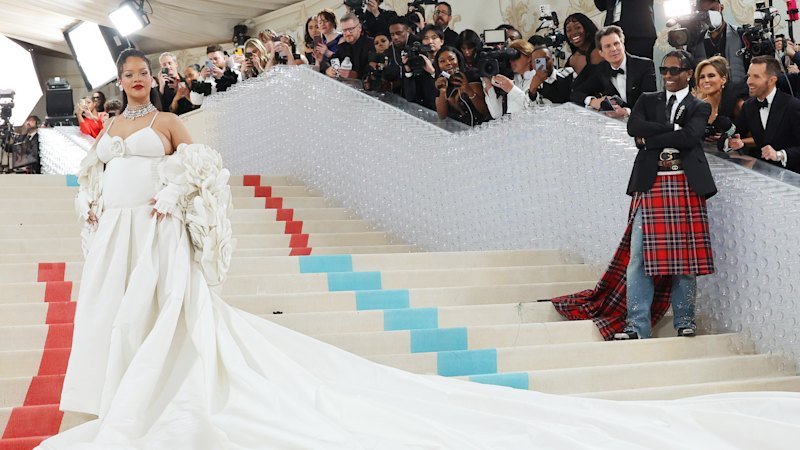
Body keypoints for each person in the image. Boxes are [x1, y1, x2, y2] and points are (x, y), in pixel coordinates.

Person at [32, 49, 800, 450]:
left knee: (167, 313)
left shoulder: (168, 124)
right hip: (118, 236)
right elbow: (94, 174)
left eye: (144, 75)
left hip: (157, 232)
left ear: (153, 82)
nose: (138, 83)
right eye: (129, 77)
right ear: (117, 84)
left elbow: (204, 172)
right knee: (120, 312)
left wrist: (174, 197)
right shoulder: (112, 129)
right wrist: (96, 200)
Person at [551, 50, 716, 341]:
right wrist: (672, 129)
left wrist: (651, 139)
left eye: (674, 70)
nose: (667, 75)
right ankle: (637, 326)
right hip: (650, 183)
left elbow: (691, 137)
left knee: (685, 259)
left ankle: (685, 321)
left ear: (688, 73)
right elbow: (633, 128)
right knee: (639, 257)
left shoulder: (699, 106)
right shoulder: (647, 100)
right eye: (664, 70)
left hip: (685, 182)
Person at [729, 56, 800, 173]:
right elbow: (733, 132)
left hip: (793, 175)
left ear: (772, 80)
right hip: (762, 174)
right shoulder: (748, 106)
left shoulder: (792, 106)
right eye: (749, 76)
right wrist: (729, 142)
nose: (749, 81)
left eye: (756, 76)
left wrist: (780, 155)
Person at [571, 25, 657, 119]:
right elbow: (576, 93)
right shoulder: (601, 69)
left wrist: (626, 112)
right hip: (614, 122)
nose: (613, 49)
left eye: (616, 44)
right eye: (607, 46)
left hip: (643, 120)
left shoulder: (645, 65)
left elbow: (650, 101)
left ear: (623, 44)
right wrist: (593, 101)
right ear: (601, 52)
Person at [687, 0, 747, 86]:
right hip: (708, 91)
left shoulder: (740, 35)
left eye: (712, 9)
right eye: (705, 12)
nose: (709, 15)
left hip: (738, 91)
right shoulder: (697, 42)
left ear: (721, 8)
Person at [693, 56, 747, 143]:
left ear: (723, 80)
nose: (706, 80)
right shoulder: (697, 108)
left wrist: (729, 142)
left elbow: (758, 138)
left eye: (711, 76)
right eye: (702, 77)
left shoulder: (738, 105)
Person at [434, 46, 489, 126]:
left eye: (451, 59)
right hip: (456, 128)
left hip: (479, 127)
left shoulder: (472, 75)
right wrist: (442, 91)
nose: (448, 63)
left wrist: (469, 90)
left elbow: (485, 111)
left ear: (458, 60)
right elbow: (442, 116)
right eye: (442, 61)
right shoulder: (441, 82)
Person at [563, 13, 604, 79]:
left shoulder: (603, 49)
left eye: (578, 27)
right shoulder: (571, 62)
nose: (574, 33)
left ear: (587, 29)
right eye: (569, 30)